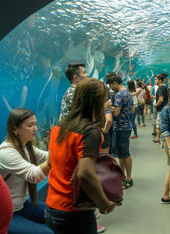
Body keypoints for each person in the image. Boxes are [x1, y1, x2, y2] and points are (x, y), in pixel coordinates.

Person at [45, 78, 116, 234]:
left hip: (52, 206)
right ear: (98, 101)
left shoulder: (59, 126)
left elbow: (50, 162)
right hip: (74, 210)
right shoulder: (90, 132)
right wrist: (103, 203)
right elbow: (85, 174)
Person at [0, 108, 52, 234]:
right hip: (7, 213)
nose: (36, 129)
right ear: (15, 129)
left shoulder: (25, 146)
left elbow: (46, 156)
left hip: (22, 205)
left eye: (35, 124)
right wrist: (56, 154)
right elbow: (34, 175)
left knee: (61, 215)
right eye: (30, 125)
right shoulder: (6, 152)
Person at [110, 75, 135, 189]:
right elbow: (132, 109)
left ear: (115, 82)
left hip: (121, 127)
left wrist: (108, 108)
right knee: (121, 154)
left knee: (125, 154)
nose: (111, 88)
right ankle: (123, 176)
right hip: (127, 125)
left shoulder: (119, 95)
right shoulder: (128, 93)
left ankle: (128, 178)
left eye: (111, 85)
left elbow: (115, 113)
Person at [153, 74, 168, 143]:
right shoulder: (165, 87)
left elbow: (161, 99)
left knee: (159, 125)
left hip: (161, 109)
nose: (155, 81)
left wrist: (156, 105)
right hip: (165, 108)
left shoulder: (160, 88)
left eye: (156, 80)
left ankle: (157, 138)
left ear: (160, 80)